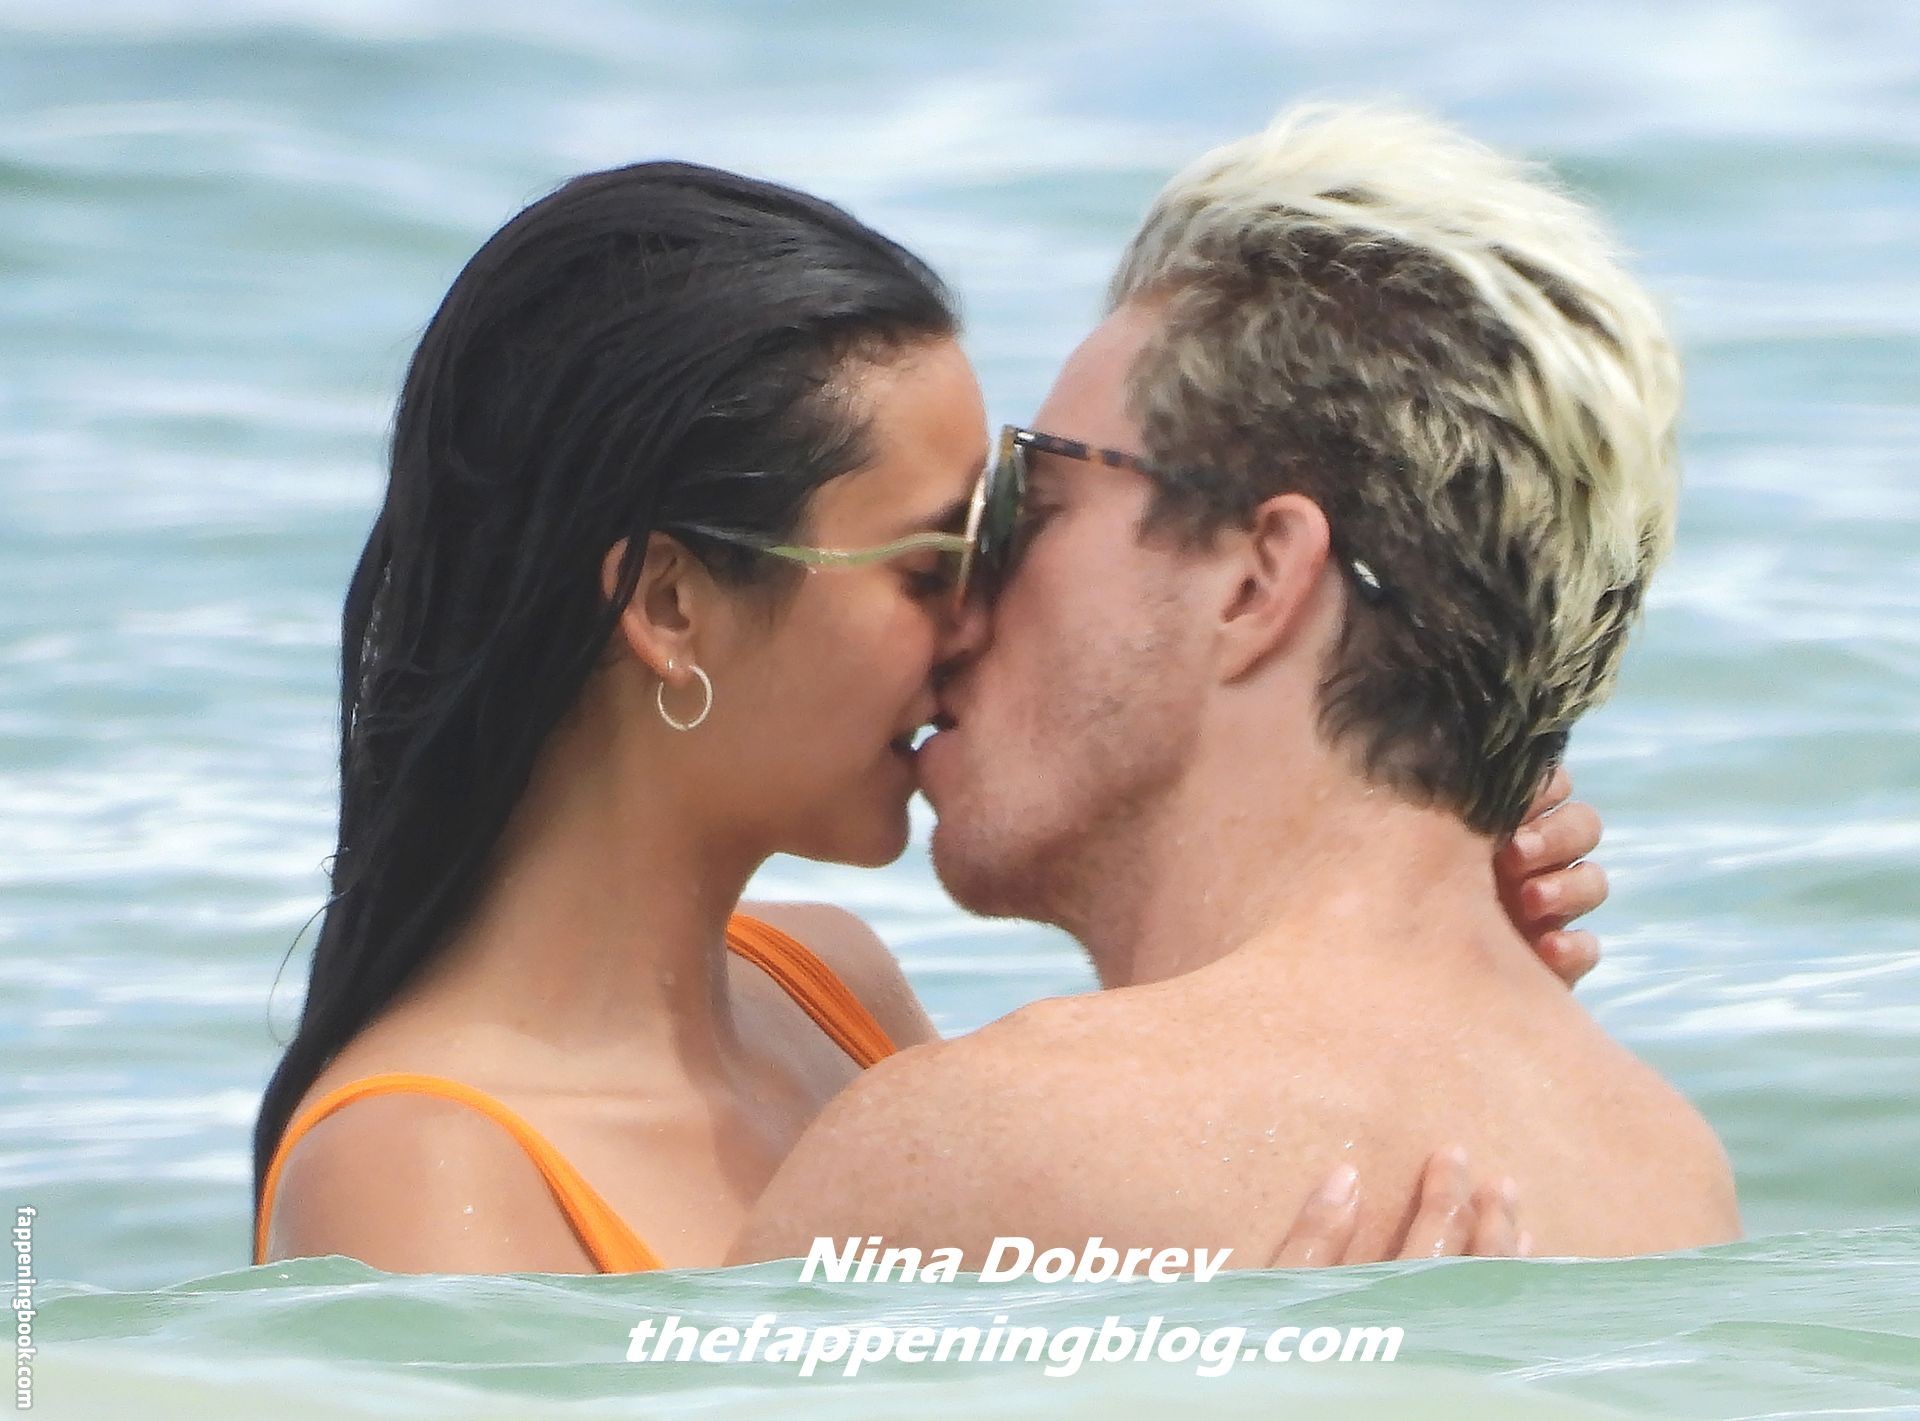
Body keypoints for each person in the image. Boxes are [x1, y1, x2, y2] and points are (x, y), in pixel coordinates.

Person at [253, 157, 1609, 1275]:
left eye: (1004, 536)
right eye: (926, 568)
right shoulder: (415, 1164)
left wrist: (1403, 946)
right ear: (668, 604)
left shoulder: (830, 986)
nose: (984, 620)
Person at [729, 105, 1742, 1268]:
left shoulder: (978, 1150)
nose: (965, 597)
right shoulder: (1665, 1168)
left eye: (1031, 505)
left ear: (1258, 578)